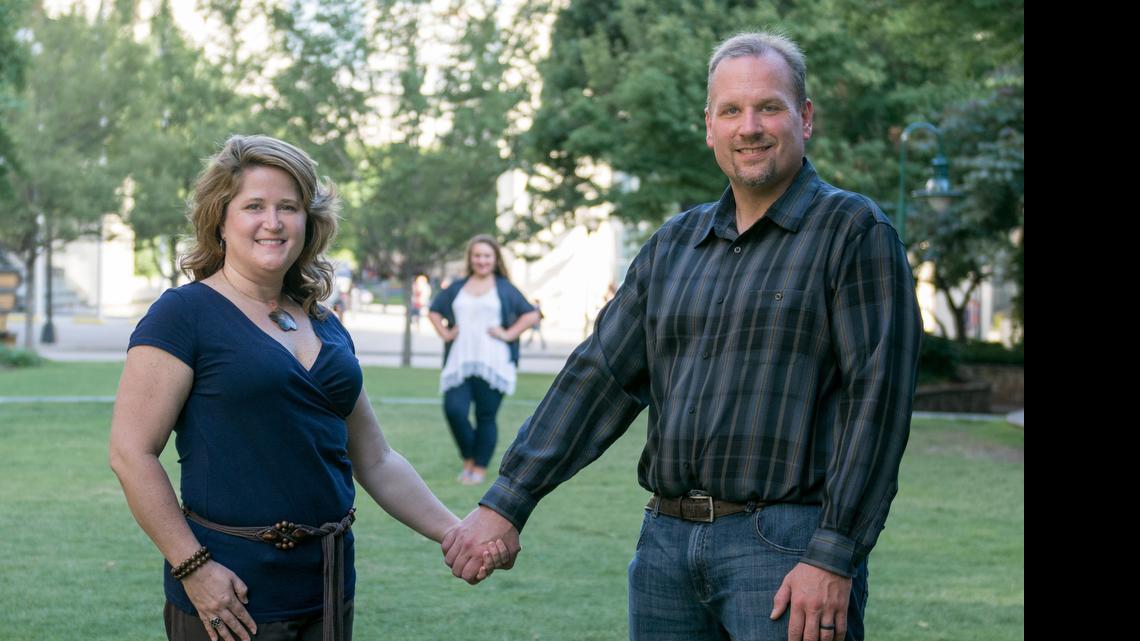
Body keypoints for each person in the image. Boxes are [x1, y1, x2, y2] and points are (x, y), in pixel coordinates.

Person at [442, 31, 923, 641]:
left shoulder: (853, 234)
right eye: (731, 110)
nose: (749, 126)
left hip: (786, 550)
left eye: (769, 107)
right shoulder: (675, 244)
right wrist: (507, 501)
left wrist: (834, 554)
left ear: (804, 117)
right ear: (709, 126)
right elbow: (600, 379)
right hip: (665, 547)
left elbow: (876, 405)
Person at [108, 134, 503, 641]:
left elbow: (376, 459)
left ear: (308, 221)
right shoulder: (183, 316)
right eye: (254, 206)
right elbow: (130, 453)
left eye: (288, 207)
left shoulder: (326, 324)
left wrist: (455, 533)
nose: (272, 222)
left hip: (328, 587)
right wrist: (194, 569)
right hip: (230, 597)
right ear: (221, 219)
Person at [428, 235, 540, 486]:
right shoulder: (458, 287)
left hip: (494, 362)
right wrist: (445, 334)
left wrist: (509, 334)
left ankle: (478, 468)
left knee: (485, 416)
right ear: (471, 258)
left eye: (487, 256)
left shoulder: (504, 287)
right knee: (454, 410)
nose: (482, 260)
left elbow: (531, 315)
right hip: (460, 360)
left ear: (495, 259)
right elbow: (434, 309)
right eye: (477, 255)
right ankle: (469, 458)